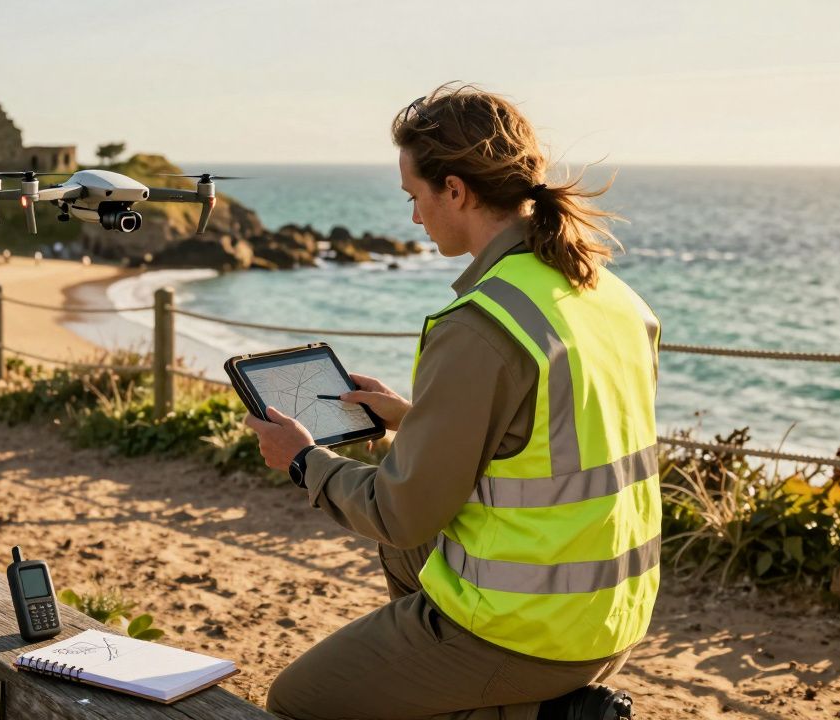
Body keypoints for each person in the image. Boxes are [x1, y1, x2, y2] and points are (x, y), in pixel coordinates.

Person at [244, 84, 660, 720]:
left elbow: (400, 512)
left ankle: (540, 714)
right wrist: (412, 422)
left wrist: (303, 460)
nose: (414, 218)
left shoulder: (479, 325)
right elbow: (552, 436)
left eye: (416, 197)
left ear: (457, 190)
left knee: (296, 702)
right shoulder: (609, 295)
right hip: (613, 613)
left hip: (529, 631)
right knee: (406, 556)